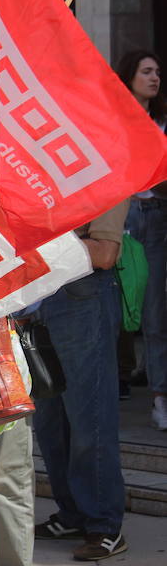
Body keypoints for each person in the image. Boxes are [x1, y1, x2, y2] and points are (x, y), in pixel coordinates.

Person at [33, 202, 130, 561]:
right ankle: (73, 513)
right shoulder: (40, 174)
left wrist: (34, 240)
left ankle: (104, 524)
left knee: (90, 420)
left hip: (82, 298)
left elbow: (104, 254)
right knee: (49, 422)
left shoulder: (104, 177)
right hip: (40, 297)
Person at [116, 50, 167, 429]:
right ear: (129, 77)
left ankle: (159, 396)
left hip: (156, 216)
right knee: (117, 306)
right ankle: (116, 379)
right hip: (122, 216)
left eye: (157, 73)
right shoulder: (115, 119)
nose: (154, 78)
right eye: (146, 71)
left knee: (154, 311)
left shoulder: (162, 123)